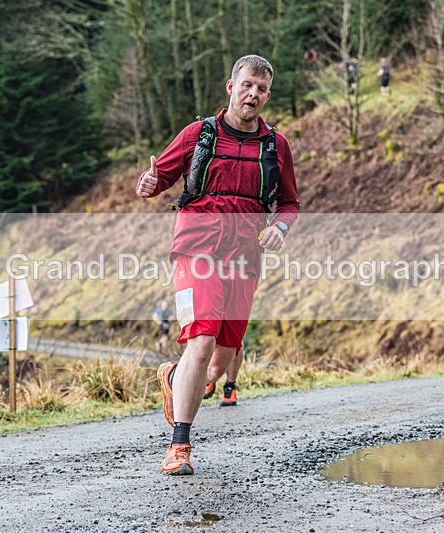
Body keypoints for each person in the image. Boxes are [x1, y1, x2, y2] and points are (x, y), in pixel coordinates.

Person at [136, 55, 299, 476]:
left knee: (221, 359)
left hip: (245, 254)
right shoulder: (199, 134)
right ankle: (179, 446)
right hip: (197, 247)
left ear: (267, 96)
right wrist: (148, 184)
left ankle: (175, 378)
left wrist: (280, 227)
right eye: (247, 85)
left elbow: (289, 203)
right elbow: (158, 179)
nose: (253, 95)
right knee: (202, 336)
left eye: (261, 89)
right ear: (231, 87)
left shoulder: (276, 146)